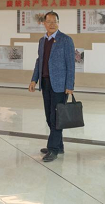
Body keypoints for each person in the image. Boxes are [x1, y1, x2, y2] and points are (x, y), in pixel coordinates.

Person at [29, 11, 76, 162]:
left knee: (56, 117)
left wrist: (70, 85)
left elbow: (71, 64)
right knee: (49, 117)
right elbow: (39, 61)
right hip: (45, 83)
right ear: (44, 23)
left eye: (55, 21)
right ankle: (59, 145)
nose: (52, 24)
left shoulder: (66, 40)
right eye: (49, 21)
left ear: (58, 23)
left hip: (60, 85)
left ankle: (53, 149)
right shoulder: (42, 41)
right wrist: (34, 80)